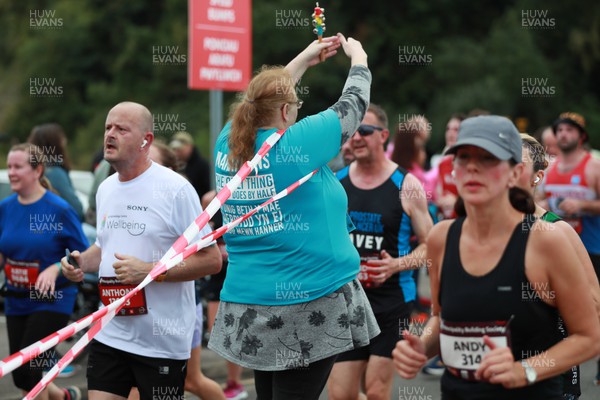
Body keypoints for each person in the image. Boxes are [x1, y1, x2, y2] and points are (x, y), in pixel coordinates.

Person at [208, 34, 379, 400]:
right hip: (307, 300)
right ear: (286, 112)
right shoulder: (294, 145)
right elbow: (353, 106)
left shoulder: (227, 143)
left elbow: (258, 98)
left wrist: (305, 57)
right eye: (295, 105)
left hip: (250, 302)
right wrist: (359, 59)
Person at [392, 115, 600, 399]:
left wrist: (524, 369)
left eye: (489, 159)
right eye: (463, 158)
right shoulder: (442, 237)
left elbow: (590, 336)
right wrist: (421, 347)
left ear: (515, 173)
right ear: (454, 170)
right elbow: (442, 319)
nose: (473, 167)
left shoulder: (547, 239)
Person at [61, 101, 222, 400]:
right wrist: (81, 262)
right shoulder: (106, 188)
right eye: (108, 127)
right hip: (110, 330)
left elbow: (211, 260)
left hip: (160, 341)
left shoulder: (176, 190)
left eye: (121, 129)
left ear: (146, 141)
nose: (110, 134)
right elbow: (104, 247)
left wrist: (150, 272)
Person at [327, 104, 433, 399]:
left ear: (384, 136)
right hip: (348, 301)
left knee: (376, 390)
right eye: (351, 133)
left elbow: (433, 246)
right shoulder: (338, 183)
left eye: (365, 131)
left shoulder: (407, 185)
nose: (356, 138)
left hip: (392, 302)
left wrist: (396, 265)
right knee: (341, 394)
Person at [0, 143, 88, 400]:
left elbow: (81, 256)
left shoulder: (59, 209)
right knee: (20, 373)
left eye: (18, 167)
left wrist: (53, 268)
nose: (11, 173)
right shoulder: (5, 208)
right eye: (9, 167)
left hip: (52, 299)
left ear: (37, 170)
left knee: (29, 369)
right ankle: (63, 397)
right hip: (16, 299)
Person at [519, 133, 600, 399]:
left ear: (537, 177)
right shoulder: (479, 231)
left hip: (553, 374)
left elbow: (594, 302)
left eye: (517, 164)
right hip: (493, 372)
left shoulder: (558, 230)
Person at [28, 123, 84, 221]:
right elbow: (77, 209)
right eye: (62, 138)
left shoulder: (30, 171)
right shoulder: (55, 173)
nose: (65, 141)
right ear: (56, 144)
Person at [169, 131, 212, 199]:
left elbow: (207, 190)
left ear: (190, 147)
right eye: (175, 149)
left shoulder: (202, 166)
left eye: (180, 149)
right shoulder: (172, 165)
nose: (177, 153)